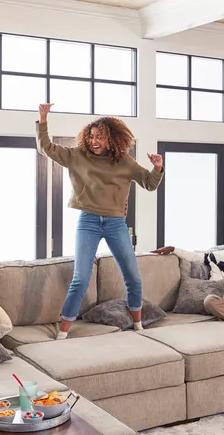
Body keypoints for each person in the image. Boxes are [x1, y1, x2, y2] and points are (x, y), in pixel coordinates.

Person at [36, 103, 164, 339]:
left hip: (116, 223)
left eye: (100, 137)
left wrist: (157, 168)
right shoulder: (77, 156)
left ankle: (138, 326)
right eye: (92, 136)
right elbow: (47, 148)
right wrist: (43, 120)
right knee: (81, 277)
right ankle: (63, 332)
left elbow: (149, 183)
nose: (94, 141)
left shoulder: (124, 162)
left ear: (112, 140)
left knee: (133, 277)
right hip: (89, 222)